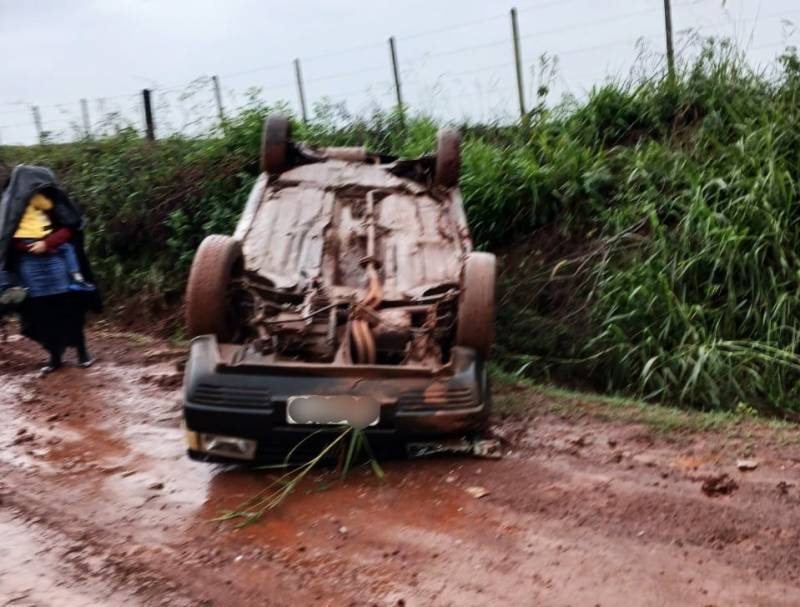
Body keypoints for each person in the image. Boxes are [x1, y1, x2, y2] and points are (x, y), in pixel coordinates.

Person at [0, 163, 102, 374]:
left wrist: (47, 243)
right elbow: (7, 238)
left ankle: (82, 351)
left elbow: (70, 227)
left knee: (66, 304)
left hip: (55, 259)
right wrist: (27, 247)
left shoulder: (52, 201)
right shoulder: (10, 206)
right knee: (41, 309)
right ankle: (54, 355)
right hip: (27, 263)